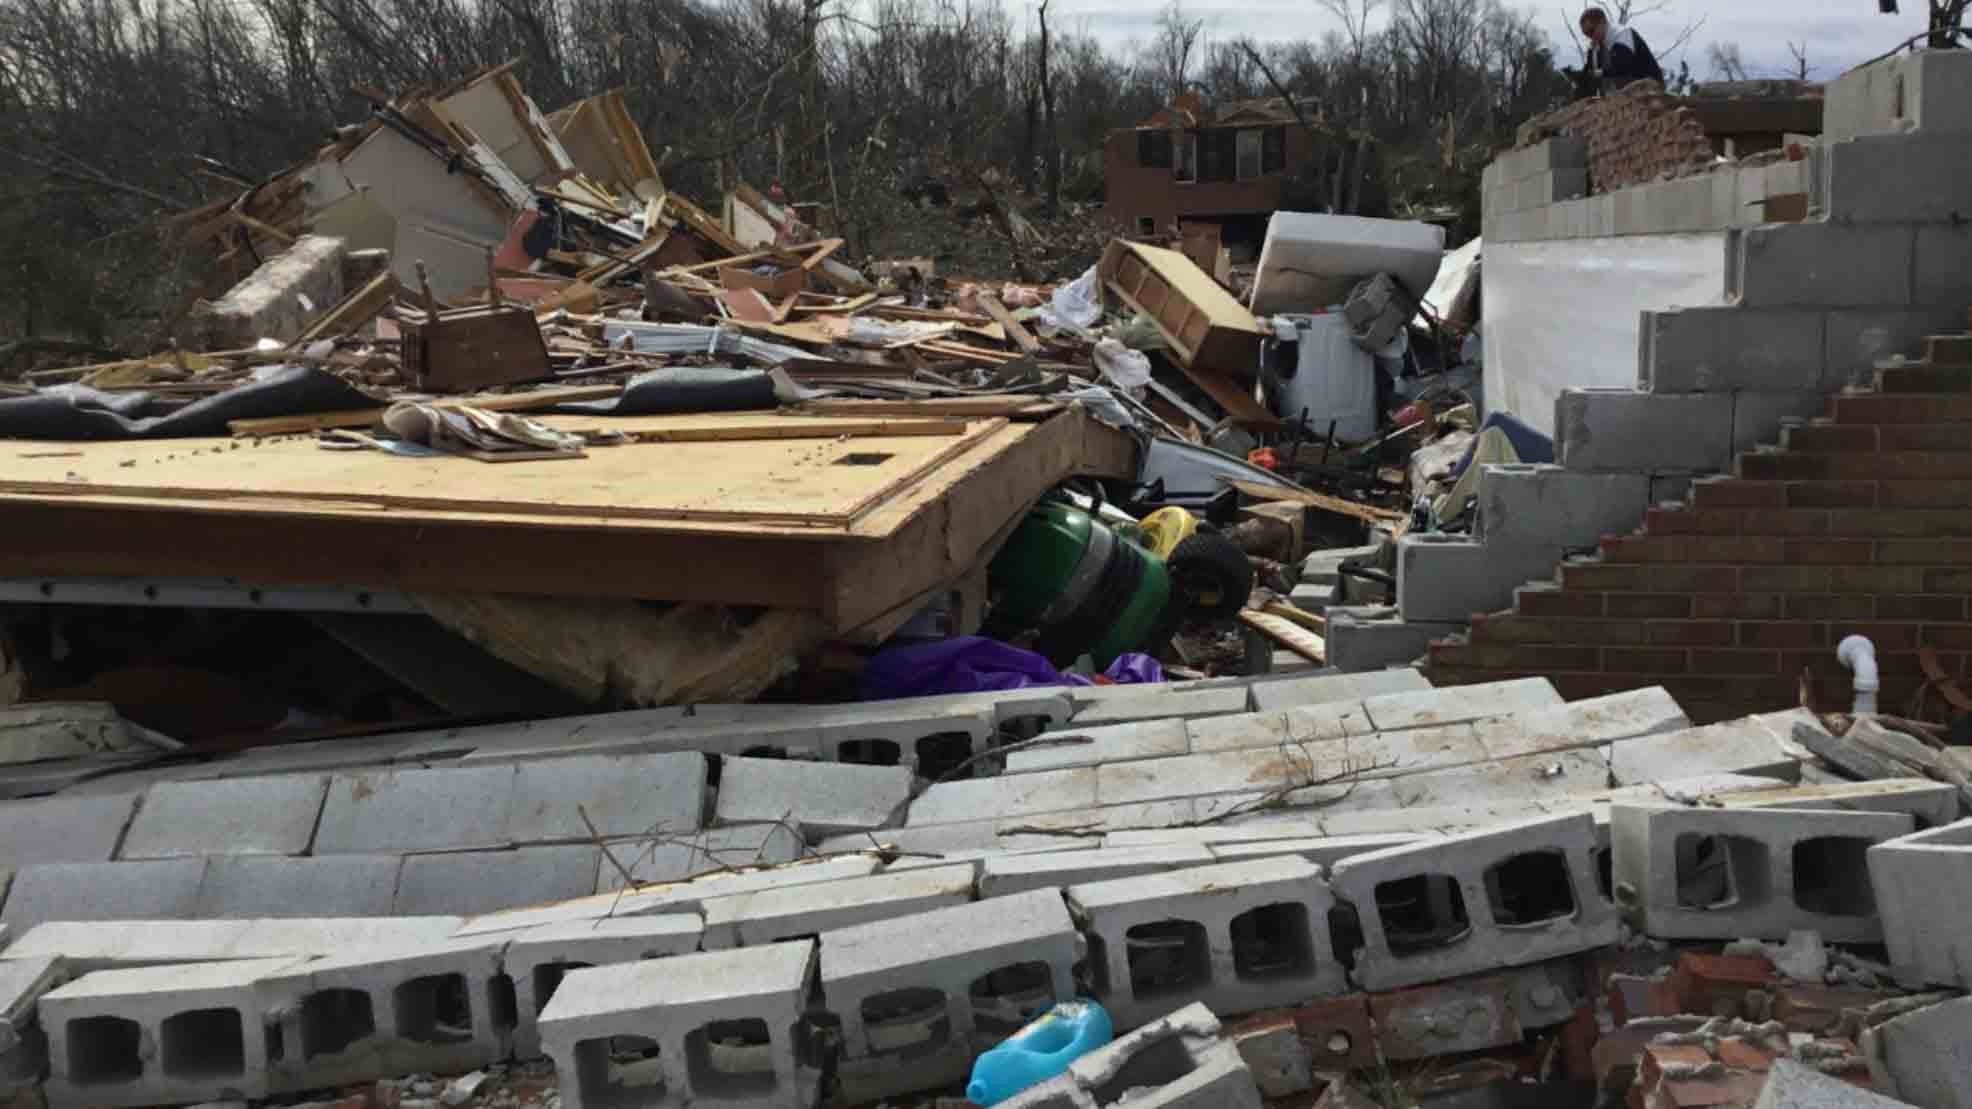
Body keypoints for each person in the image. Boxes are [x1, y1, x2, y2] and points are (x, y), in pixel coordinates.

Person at [1580, 6, 1665, 90]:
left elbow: (1622, 69)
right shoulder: (1597, 47)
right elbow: (1588, 74)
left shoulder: (1622, 34)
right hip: (1628, 89)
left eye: (1591, 31)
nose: (1590, 37)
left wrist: (1596, 73)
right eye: (1586, 34)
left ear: (1602, 22)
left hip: (1651, 86)